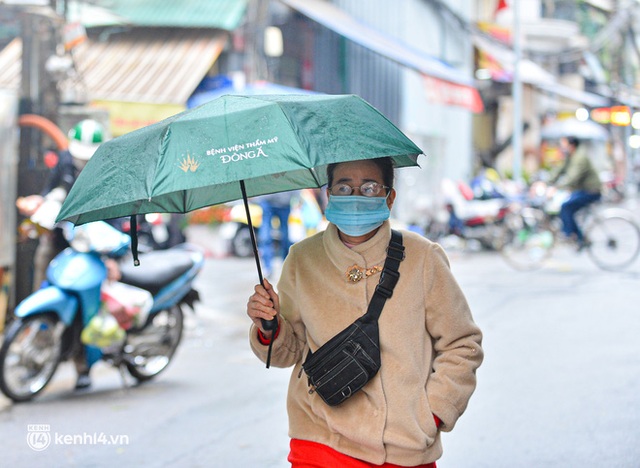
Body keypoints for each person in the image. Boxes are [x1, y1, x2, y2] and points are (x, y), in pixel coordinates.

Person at [246, 157, 483, 467]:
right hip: (320, 444)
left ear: (390, 196)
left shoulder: (423, 258)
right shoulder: (302, 259)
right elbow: (287, 352)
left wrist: (432, 414)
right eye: (344, 187)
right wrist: (268, 326)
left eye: (370, 187)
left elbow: (462, 344)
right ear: (329, 194)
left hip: (403, 448)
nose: (355, 196)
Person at [16, 118, 108, 390]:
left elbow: (112, 215)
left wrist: (110, 255)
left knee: (84, 308)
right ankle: (36, 360)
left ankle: (83, 365)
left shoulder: (106, 169)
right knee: (43, 299)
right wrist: (41, 207)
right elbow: (49, 191)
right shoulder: (65, 161)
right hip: (56, 241)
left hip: (88, 249)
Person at [549, 136, 602, 249]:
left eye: (564, 145)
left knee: (566, 207)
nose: (562, 148)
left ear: (571, 146)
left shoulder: (580, 157)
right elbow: (560, 170)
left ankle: (571, 235)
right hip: (581, 190)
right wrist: (547, 182)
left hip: (591, 191)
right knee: (566, 207)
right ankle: (578, 236)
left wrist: (557, 187)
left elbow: (573, 177)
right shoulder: (570, 156)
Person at [256, 191, 294, 277]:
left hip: (284, 202)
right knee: (265, 237)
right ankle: (267, 267)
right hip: (267, 201)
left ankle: (286, 266)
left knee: (285, 238)